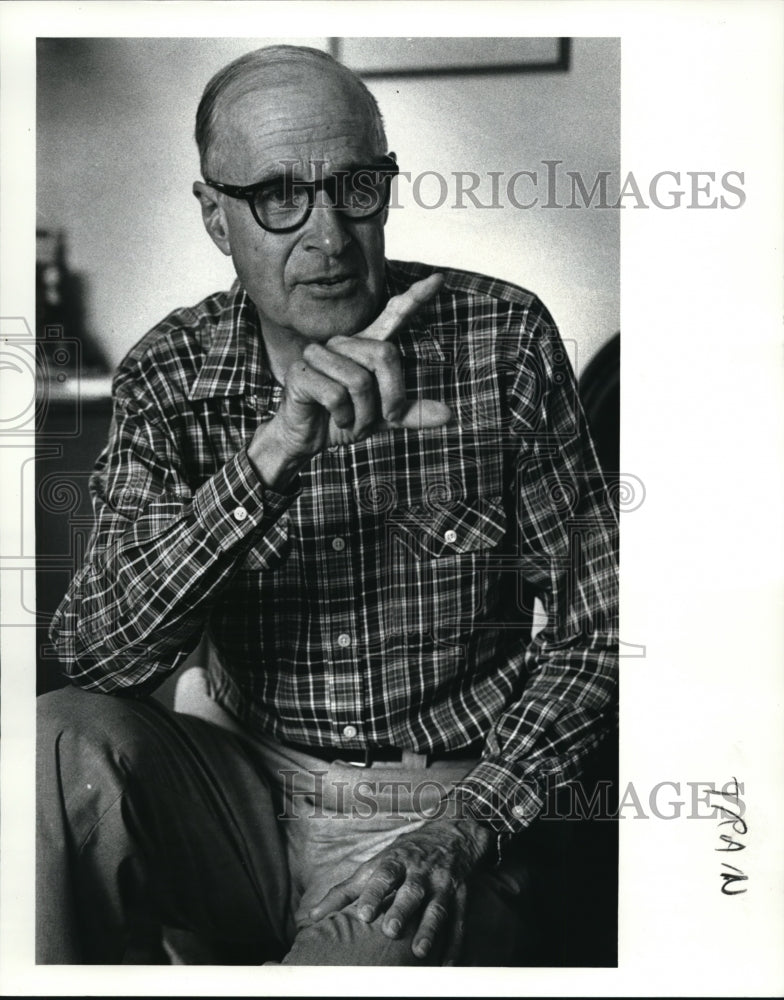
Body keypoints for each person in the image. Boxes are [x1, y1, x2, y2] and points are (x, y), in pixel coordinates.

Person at [37, 44, 618, 966]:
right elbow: (92, 653)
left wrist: (468, 825)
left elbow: (602, 630)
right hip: (238, 790)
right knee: (51, 741)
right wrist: (272, 452)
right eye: (277, 196)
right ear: (216, 218)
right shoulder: (168, 370)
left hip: (437, 807)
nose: (328, 236)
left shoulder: (502, 340)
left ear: (386, 188)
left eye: (355, 186)